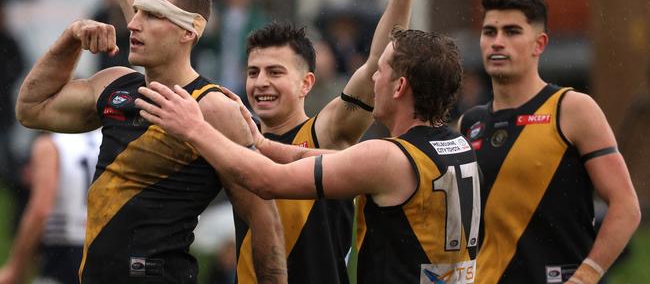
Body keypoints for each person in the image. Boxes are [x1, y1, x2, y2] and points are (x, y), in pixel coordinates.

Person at [71, 0, 422, 283]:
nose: (261, 83)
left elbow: (377, 64)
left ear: (307, 83)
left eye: (275, 72)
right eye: (253, 72)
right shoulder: (231, 128)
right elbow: (165, 34)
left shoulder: (326, 132)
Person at [17, 0, 286, 282]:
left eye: (150, 16)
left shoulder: (212, 108)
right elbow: (31, 108)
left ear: (190, 32)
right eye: (136, 12)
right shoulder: (115, 83)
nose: (132, 24)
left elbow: (264, 218)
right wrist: (70, 39)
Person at [135, 27, 481, 284]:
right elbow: (328, 160)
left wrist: (195, 127)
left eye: (381, 71)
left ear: (400, 87)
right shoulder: (458, 145)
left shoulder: (386, 157)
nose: (373, 77)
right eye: (253, 72)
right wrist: (264, 144)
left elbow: (266, 181)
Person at [459, 0, 641, 284]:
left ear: (540, 44)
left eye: (512, 32)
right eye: (489, 32)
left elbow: (626, 206)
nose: (497, 42)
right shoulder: (470, 123)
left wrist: (585, 277)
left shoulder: (571, 109)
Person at [0, 130, 101, 284]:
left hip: (65, 252)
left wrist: (15, 268)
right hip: (106, 248)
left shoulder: (50, 144)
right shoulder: (110, 137)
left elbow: (41, 210)